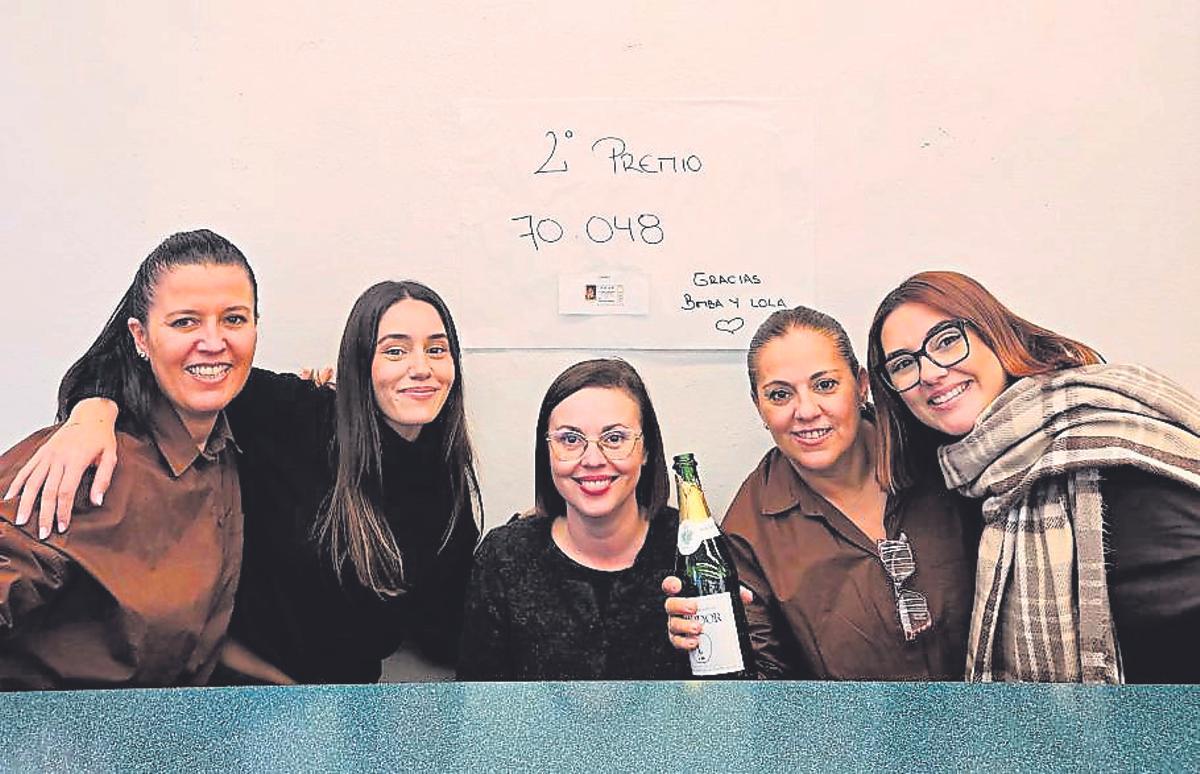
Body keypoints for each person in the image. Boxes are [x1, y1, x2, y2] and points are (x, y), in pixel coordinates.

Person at [7, 280, 481, 684]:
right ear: (360, 363)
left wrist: (525, 544)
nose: (421, 367)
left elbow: (446, 630)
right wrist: (91, 413)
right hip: (232, 696)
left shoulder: (449, 489)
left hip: (347, 712)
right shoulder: (296, 416)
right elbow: (153, 369)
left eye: (436, 349)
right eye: (395, 350)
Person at [867, 270, 1200, 683]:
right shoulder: (968, 481)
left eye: (947, 341)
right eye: (903, 364)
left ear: (994, 334)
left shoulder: (1101, 449)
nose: (931, 373)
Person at [0, 228, 255, 689]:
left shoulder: (234, 441)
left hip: (176, 721)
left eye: (234, 319)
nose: (213, 341)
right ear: (140, 337)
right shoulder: (83, 464)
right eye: (185, 322)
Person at [665, 307, 978, 679]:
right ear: (759, 407)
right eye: (779, 394)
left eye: (825, 385)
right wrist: (704, 644)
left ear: (861, 385)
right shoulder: (748, 530)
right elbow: (760, 685)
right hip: (853, 719)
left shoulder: (940, 452)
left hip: (998, 706)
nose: (806, 410)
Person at [457, 358, 689, 680]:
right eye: (570, 439)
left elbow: (728, 693)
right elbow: (480, 700)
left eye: (615, 438)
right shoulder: (503, 557)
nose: (592, 459)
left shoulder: (691, 547)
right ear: (547, 452)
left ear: (646, 450)